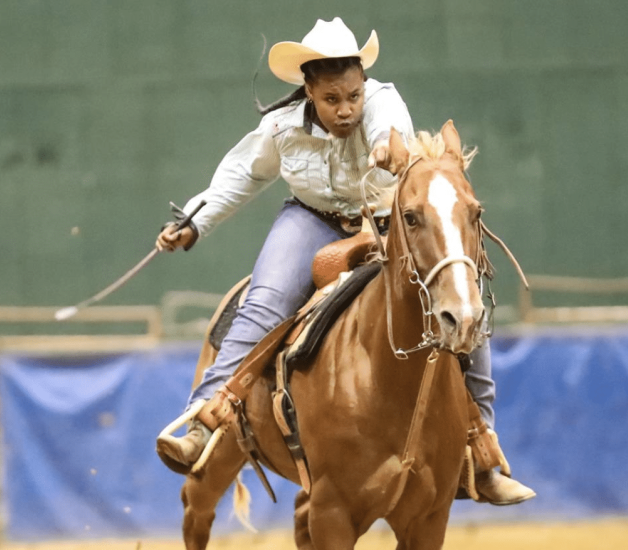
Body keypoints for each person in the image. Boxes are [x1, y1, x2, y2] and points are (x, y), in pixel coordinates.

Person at [154, 17, 535, 505]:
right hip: (309, 220)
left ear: (362, 84)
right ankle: (204, 421)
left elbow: (388, 127)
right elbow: (240, 176)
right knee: (264, 302)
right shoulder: (281, 128)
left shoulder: (380, 100)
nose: (346, 109)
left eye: (352, 96)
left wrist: (384, 147)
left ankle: (480, 452)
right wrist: (193, 221)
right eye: (332, 99)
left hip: (380, 222)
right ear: (309, 90)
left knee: (464, 302)